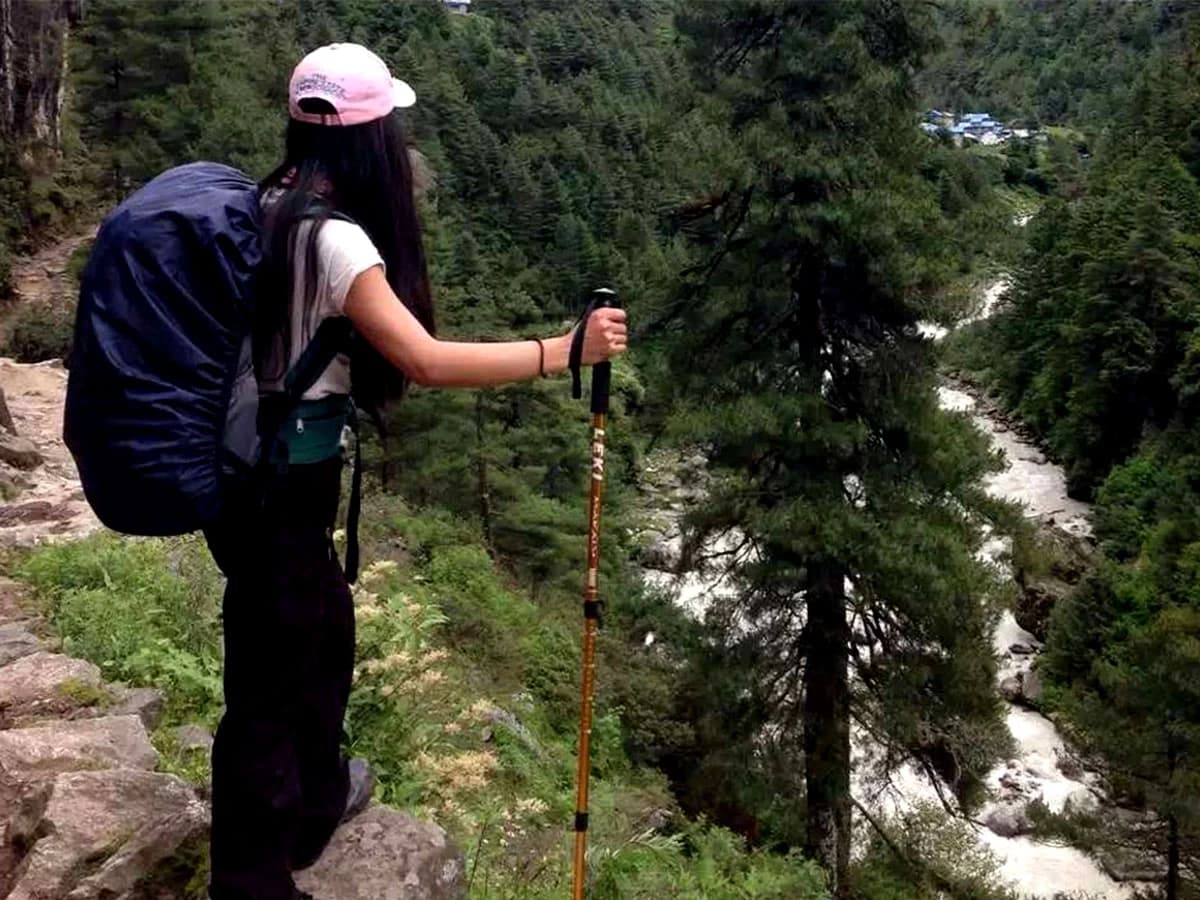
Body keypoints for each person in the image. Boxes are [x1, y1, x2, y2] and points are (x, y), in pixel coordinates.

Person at [204, 43, 628, 900]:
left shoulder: (265, 201)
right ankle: (250, 879)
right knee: (268, 675)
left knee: (320, 629)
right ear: (374, 139)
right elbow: (424, 362)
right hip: (283, 481)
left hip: (249, 472)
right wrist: (563, 352)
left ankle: (318, 799)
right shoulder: (337, 241)